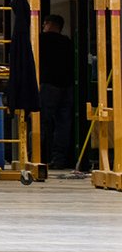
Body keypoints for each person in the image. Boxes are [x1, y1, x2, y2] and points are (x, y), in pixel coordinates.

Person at [40, 12, 77, 174]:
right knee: (63, 124)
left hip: (49, 85)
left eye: (44, 24)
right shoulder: (68, 42)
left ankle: (35, 156)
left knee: (40, 120)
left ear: (49, 24)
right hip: (67, 86)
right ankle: (59, 159)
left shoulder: (41, 40)